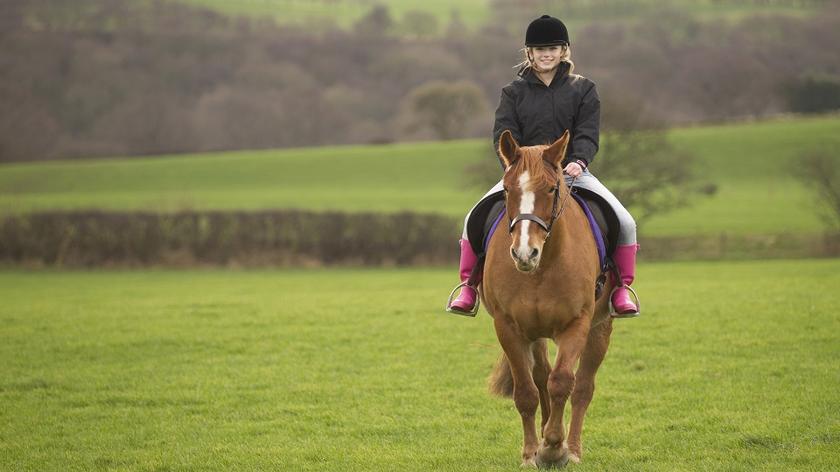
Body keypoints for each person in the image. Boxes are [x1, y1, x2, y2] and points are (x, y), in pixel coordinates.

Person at [446, 14, 640, 317]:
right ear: (530, 54)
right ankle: (469, 286)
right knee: (474, 217)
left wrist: (579, 160)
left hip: (572, 171)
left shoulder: (584, 89)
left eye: (553, 48)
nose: (546, 54)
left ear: (564, 51)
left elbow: (588, 132)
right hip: (522, 174)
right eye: (539, 49)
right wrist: (513, 166)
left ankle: (621, 289)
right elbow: (503, 133)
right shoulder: (513, 92)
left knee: (626, 222)